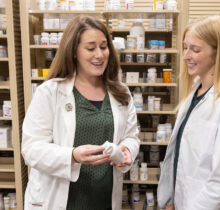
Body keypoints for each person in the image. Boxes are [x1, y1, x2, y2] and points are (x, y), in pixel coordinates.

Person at [21, 16, 140, 210]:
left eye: (104, 46)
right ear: (74, 51)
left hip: (103, 199)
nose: (100, 55)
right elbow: (31, 149)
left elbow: (131, 137)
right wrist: (72, 156)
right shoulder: (51, 92)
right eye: (91, 48)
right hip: (61, 200)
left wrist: (127, 150)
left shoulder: (121, 92)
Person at [157, 15, 220, 210]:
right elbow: (179, 156)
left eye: (195, 49)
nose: (186, 55)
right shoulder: (195, 90)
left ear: (218, 53)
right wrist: (170, 200)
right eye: (185, 47)